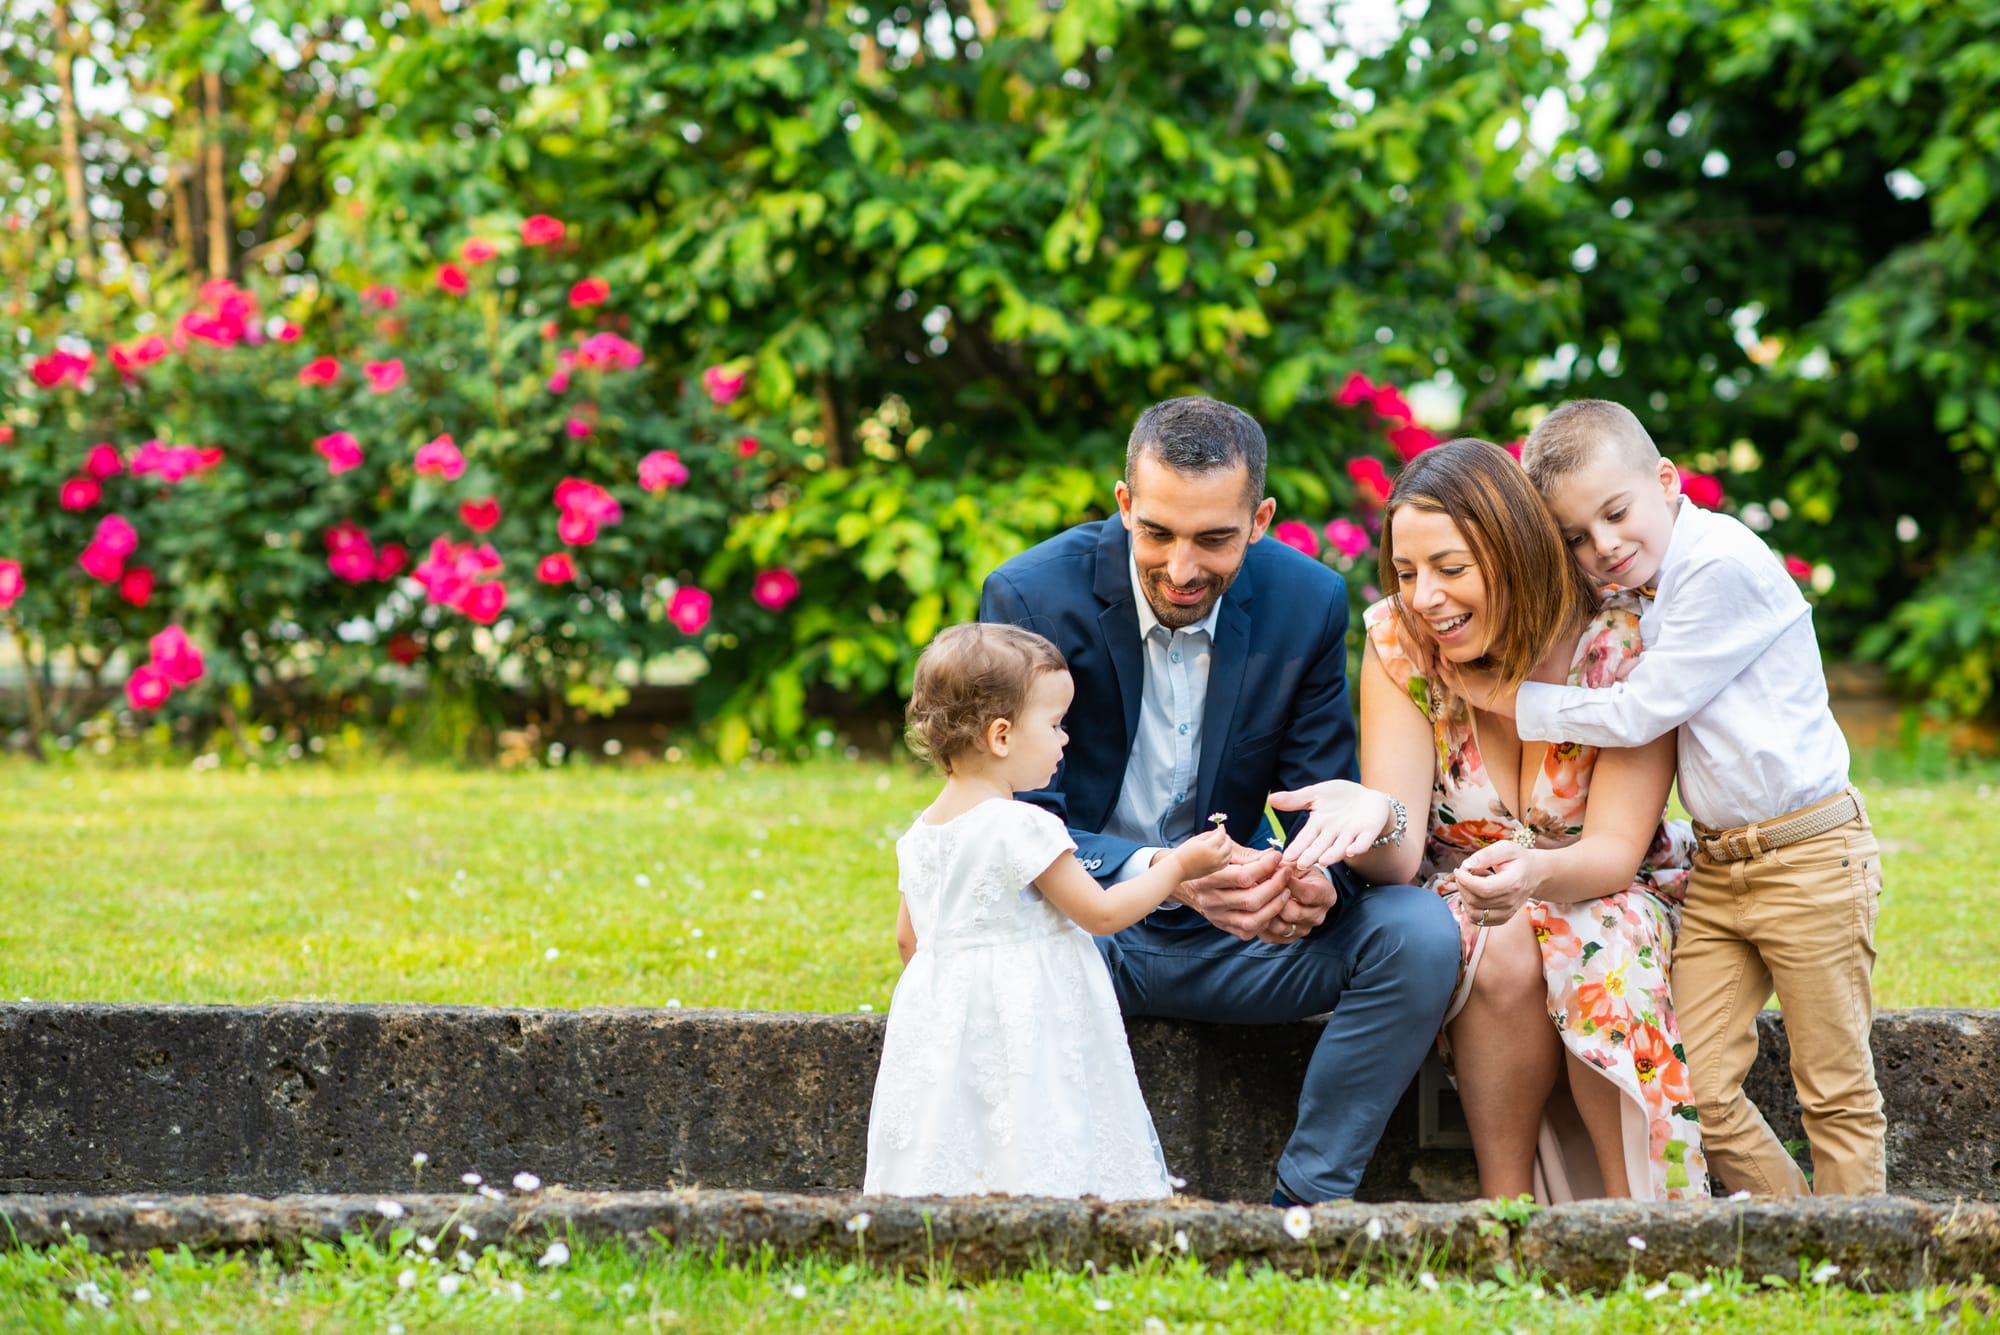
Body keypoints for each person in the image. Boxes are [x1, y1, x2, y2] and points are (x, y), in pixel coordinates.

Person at [979, 395, 1461, 1207]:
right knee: (1015, 935)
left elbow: (1318, 792)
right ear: (1125, 504)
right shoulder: (1031, 599)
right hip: (1088, 930)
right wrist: (1161, 869)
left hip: (1245, 934)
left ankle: (1309, 1206)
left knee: (1415, 932)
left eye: (1214, 539)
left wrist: (1312, 883)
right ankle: (1074, 1197)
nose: (1180, 567)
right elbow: (1022, 824)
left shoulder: (1304, 601)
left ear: (1260, 518)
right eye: (1157, 532)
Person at [1275, 438, 1709, 1201]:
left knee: (1599, 933)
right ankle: (1505, 1211)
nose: (1425, 597)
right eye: (1407, 572)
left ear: (1514, 551)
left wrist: (1536, 871)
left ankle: (1638, 1210)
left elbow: (1611, 851)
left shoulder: (1625, 642)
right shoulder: (1400, 643)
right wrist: (1375, 815)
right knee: (1501, 936)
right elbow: (1402, 857)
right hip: (1472, 895)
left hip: (1608, 885)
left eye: (1450, 568)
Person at [1482, 399, 1882, 1197]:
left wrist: (1507, 697)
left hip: (1808, 855)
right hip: (1721, 867)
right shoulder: (1641, 590)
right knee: (1693, 1079)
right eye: (1577, 537)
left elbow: (1640, 711)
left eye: (1617, 512)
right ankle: (1803, 1230)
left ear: (1666, 481)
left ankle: (1861, 1273)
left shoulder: (1719, 564)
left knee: (1833, 1088)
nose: (1604, 546)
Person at [863, 622, 1232, 1199]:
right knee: (1038, 1116)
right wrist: (1177, 868)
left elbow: (909, 941)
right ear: (1002, 736)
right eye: (1056, 725)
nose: (1065, 741)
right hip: (1031, 1012)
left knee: (965, 1125)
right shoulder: (1024, 825)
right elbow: (1102, 913)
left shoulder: (921, 833)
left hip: (946, 1018)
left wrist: (946, 1005)